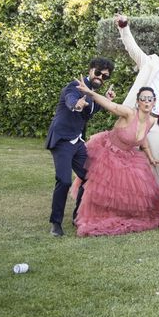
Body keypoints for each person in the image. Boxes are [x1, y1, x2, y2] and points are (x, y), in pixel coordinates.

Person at [73, 83, 159, 236]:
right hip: (108, 151)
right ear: (138, 102)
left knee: (131, 190)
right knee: (101, 188)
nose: (147, 102)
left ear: (154, 102)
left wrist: (151, 157)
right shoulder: (129, 113)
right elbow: (110, 105)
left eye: (150, 99)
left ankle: (119, 214)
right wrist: (89, 93)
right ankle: (92, 214)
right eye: (143, 99)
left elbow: (143, 138)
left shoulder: (151, 121)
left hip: (129, 155)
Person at [46, 57, 115, 237]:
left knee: (91, 177)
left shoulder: (92, 92)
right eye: (98, 73)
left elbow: (88, 111)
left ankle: (77, 216)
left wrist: (103, 100)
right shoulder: (75, 86)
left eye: (105, 77)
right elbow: (71, 99)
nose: (100, 78)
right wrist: (76, 105)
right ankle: (55, 223)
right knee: (65, 181)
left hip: (77, 142)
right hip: (62, 140)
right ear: (91, 70)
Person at [116, 14, 159, 185]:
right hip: (137, 120)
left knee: (156, 167)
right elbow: (133, 48)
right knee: (122, 162)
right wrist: (124, 26)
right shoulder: (151, 64)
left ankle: (152, 206)